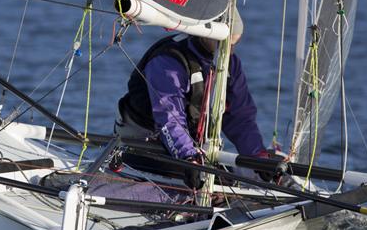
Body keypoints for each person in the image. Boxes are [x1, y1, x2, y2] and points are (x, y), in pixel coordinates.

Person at [115, 11, 269, 188]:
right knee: (202, 184)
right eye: (223, 44)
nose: (228, 51)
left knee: (226, 184)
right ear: (206, 33)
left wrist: (257, 157)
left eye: (234, 45)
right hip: (143, 138)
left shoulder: (231, 65)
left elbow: (240, 119)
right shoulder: (169, 61)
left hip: (188, 141)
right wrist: (189, 157)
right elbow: (169, 118)